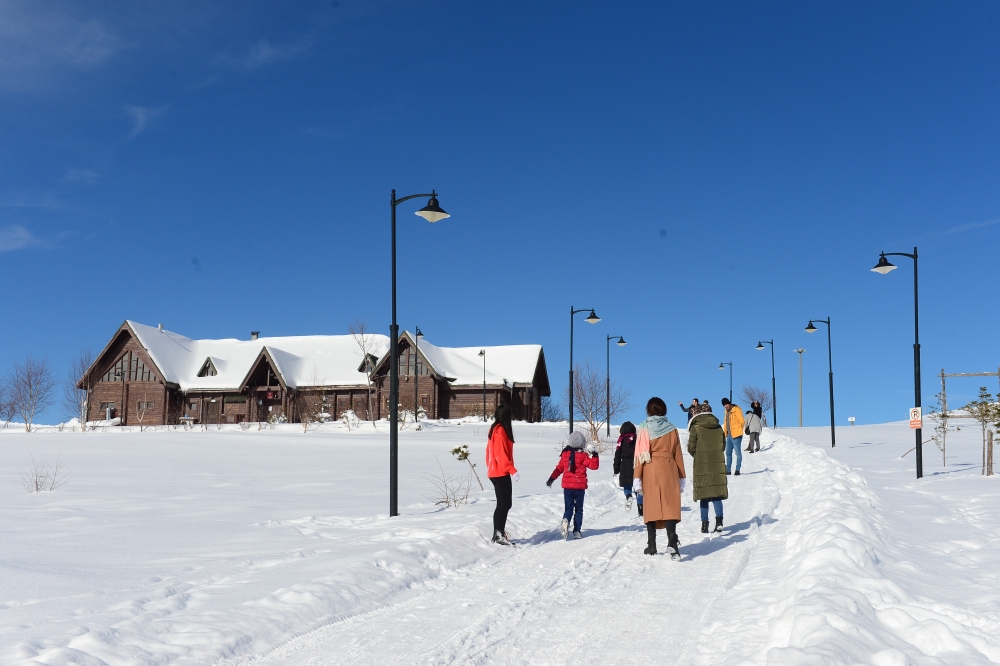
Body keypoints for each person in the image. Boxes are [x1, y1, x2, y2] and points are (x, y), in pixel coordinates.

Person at [633, 397, 686, 558]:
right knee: (670, 505)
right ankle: (672, 541)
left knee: (651, 506)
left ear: (649, 411)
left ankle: (651, 545)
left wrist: (637, 477)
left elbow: (640, 454)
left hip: (650, 468)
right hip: (669, 467)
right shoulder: (672, 429)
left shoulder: (644, 428)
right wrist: (681, 477)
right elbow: (678, 454)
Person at [547, 431, 600, 539]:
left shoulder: (565, 454)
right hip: (579, 487)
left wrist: (551, 478)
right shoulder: (583, 456)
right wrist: (595, 455)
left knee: (569, 508)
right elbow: (594, 466)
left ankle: (566, 519)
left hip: (567, 488)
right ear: (582, 444)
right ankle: (576, 531)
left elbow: (559, 468)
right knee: (579, 509)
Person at [485, 403, 518, 545]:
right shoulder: (501, 431)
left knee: (502, 504)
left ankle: (498, 533)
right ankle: (498, 534)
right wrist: (512, 469)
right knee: (505, 504)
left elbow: (488, 452)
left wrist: (491, 466)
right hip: (500, 472)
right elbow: (501, 454)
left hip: (495, 471)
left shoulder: (494, 429)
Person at [613, 421, 643, 515]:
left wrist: (616, 469)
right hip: (636, 464)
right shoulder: (637, 439)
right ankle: (641, 508)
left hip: (624, 465)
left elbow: (617, 456)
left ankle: (628, 496)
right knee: (638, 487)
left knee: (627, 485)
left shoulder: (620, 440)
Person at [720, 398, 745, 475]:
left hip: (736, 435)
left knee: (738, 453)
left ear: (729, 403)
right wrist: (724, 433)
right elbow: (725, 423)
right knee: (728, 453)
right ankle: (728, 470)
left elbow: (742, 421)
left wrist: (738, 429)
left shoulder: (736, 409)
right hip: (729, 436)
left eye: (726, 404)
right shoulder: (726, 412)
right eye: (724, 405)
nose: (725, 406)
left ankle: (737, 470)